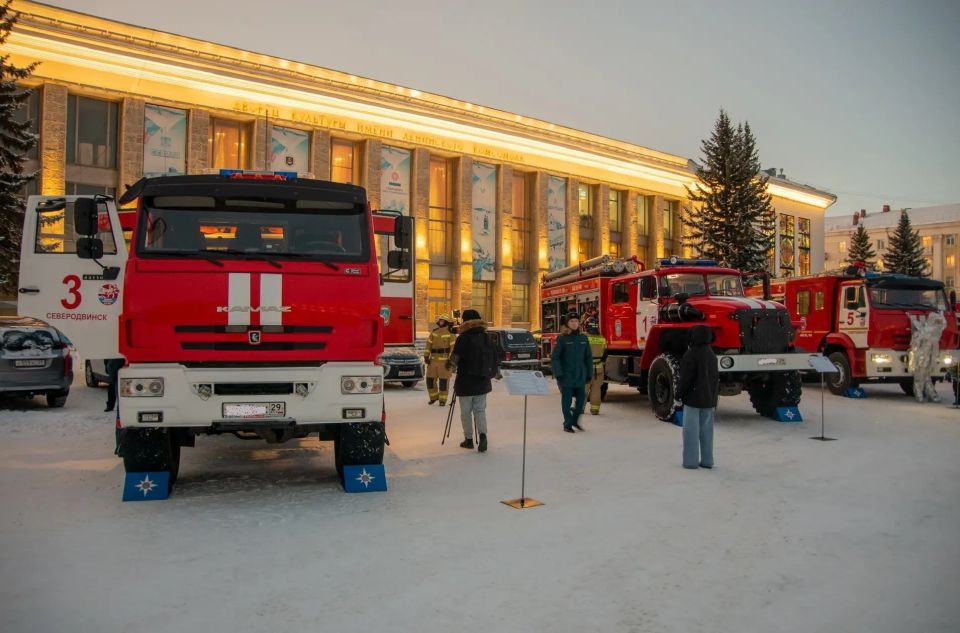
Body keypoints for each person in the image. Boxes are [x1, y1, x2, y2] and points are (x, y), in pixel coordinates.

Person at [447, 309, 492, 452]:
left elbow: (455, 358)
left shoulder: (463, 338)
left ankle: (469, 439)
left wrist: (450, 365)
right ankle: (483, 436)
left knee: (465, 412)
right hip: (482, 381)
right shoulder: (486, 337)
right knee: (480, 410)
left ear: (465, 321)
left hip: (465, 381)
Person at [676, 325, 719, 469]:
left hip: (692, 400)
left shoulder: (691, 354)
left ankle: (690, 461)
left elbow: (685, 378)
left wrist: (678, 394)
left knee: (691, 432)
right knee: (707, 432)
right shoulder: (711, 354)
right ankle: (707, 460)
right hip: (709, 400)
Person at [550, 313, 592, 433]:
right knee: (567, 402)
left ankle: (574, 420)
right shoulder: (562, 339)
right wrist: (558, 373)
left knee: (581, 401)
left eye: (576, 321)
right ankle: (567, 423)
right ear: (567, 324)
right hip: (566, 375)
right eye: (572, 321)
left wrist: (589, 373)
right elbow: (555, 357)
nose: (574, 323)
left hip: (580, 375)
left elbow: (588, 358)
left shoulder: (583, 338)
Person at [425, 315, 456, 405]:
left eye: (442, 321)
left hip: (444, 362)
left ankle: (442, 400)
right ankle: (433, 397)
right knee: (430, 380)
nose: (440, 322)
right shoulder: (434, 332)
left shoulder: (450, 333)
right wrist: (426, 356)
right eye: (440, 320)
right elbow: (428, 345)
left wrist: (450, 361)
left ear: (446, 322)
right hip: (433, 361)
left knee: (443, 382)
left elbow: (453, 348)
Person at [585, 319, 607, 415]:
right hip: (599, 369)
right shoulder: (602, 339)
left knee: (583, 389)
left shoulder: (584, 338)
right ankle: (595, 409)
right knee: (596, 390)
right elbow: (605, 355)